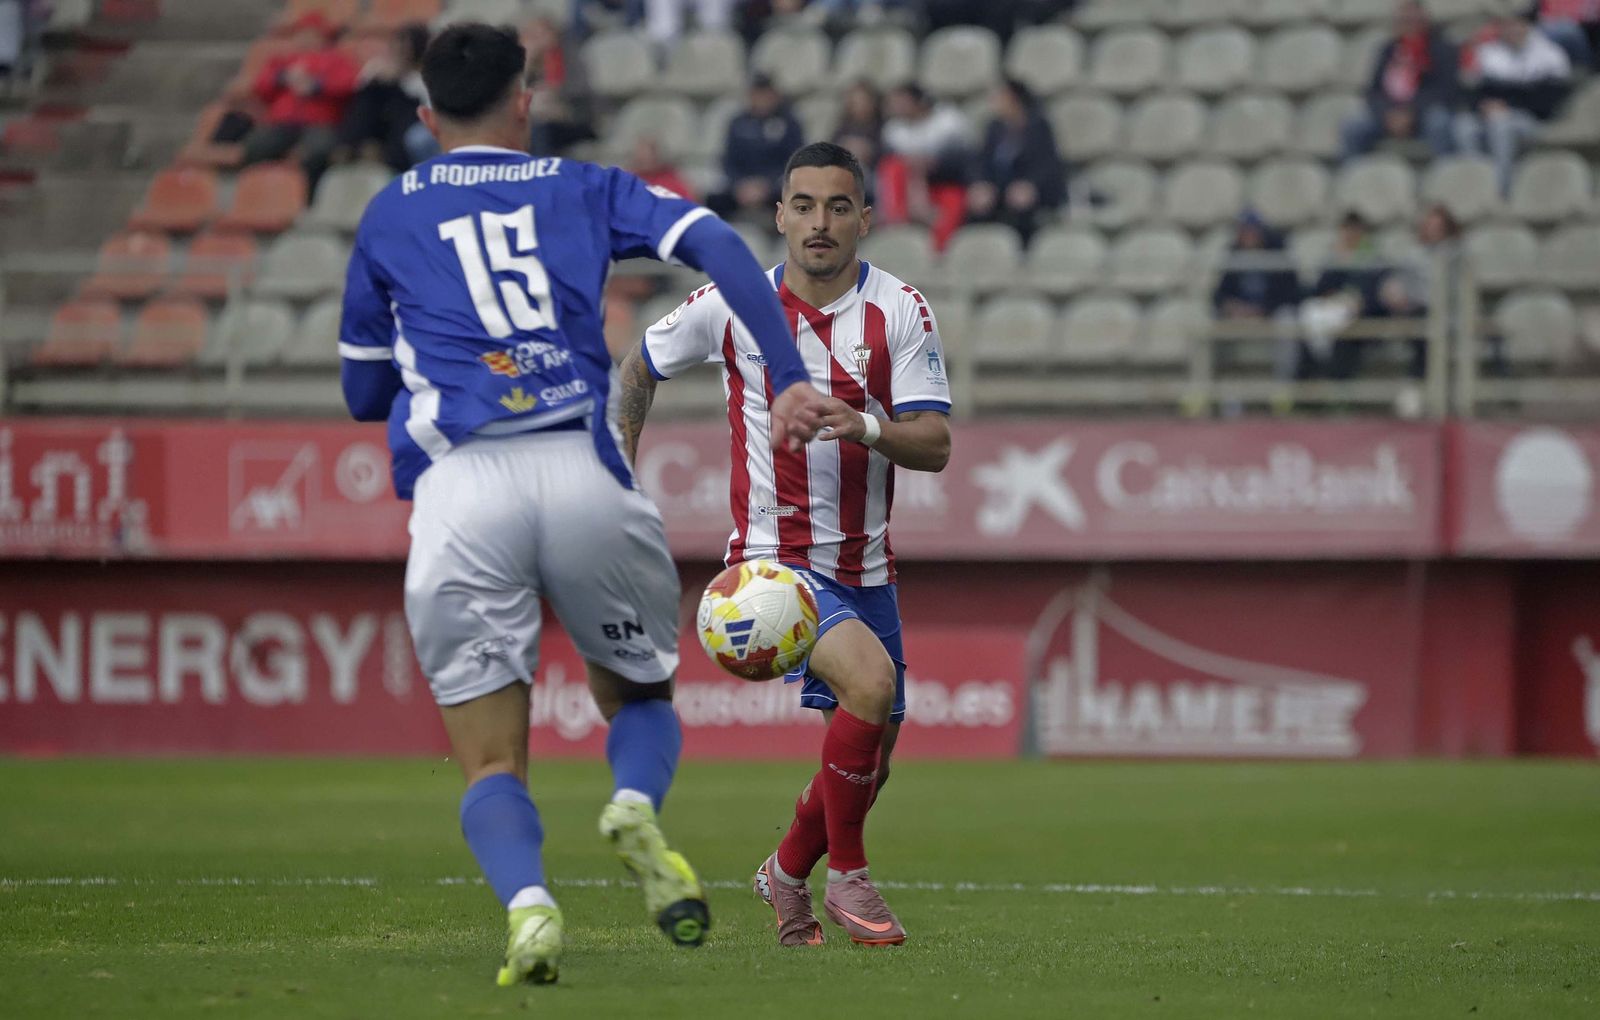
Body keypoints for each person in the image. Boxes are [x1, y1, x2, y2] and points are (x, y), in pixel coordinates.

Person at [338, 22, 828, 987]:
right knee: (639, 695)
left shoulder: (391, 212)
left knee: (489, 763)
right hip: (578, 466)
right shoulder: (578, 185)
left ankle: (528, 908)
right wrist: (786, 374)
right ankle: (635, 804)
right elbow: (718, 243)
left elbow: (361, 394)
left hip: (461, 488)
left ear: (427, 113)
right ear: (525, 100)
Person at [616, 142, 953, 948]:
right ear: (780, 216)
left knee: (875, 756)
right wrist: (617, 488)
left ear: (864, 218)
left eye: (839, 206)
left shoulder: (900, 310)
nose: (820, 223)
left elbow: (936, 443)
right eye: (803, 205)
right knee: (869, 688)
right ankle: (851, 878)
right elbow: (638, 368)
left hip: (866, 566)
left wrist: (862, 423)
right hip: (772, 567)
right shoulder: (731, 302)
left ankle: (786, 872)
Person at [1454, 12, 1573, 195]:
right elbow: (1473, 93)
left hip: (1534, 120)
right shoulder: (1488, 53)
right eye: (1507, 25)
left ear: (1527, 26)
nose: (1512, 30)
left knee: (1500, 124)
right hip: (1492, 115)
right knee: (1463, 125)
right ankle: (1475, 186)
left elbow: (1548, 100)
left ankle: (1501, 190)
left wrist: (1507, 106)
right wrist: (1483, 106)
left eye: (1517, 24)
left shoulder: (1550, 54)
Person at [242, 12, 360, 193]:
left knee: (319, 151)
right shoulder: (284, 60)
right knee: (256, 146)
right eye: (302, 34)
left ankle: (309, 197)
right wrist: (283, 78)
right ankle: (259, 194)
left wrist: (317, 86)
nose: (306, 39)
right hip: (283, 123)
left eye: (312, 35)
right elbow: (260, 85)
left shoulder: (336, 59)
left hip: (320, 123)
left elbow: (348, 84)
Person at [1340, 1, 1459, 163]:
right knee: (1353, 127)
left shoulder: (1441, 49)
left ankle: (1445, 173)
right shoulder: (1387, 50)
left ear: (1424, 20)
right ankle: (1353, 178)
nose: (1409, 25)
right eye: (1404, 20)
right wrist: (1388, 114)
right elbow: (1373, 91)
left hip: (1423, 113)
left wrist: (1411, 113)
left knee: (1440, 122)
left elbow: (1444, 89)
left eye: (1413, 20)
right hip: (1388, 115)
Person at [966, 78, 1065, 244]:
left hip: (1032, 188)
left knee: (1021, 205)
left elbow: (1048, 164)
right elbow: (981, 160)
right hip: (999, 186)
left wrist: (1030, 185)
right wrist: (980, 183)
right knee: (978, 205)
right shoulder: (994, 127)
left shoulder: (1039, 127)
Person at [877, 84, 972, 250]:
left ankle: (940, 250)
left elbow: (963, 162)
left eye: (901, 102)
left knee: (953, 200)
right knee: (892, 167)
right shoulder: (893, 130)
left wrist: (932, 164)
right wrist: (917, 192)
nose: (896, 107)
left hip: (944, 183)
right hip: (911, 188)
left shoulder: (948, 121)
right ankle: (896, 222)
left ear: (918, 101)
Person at [1377, 203, 1460, 379]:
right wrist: (1392, 290)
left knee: (1426, 329)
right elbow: (1399, 279)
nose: (1433, 231)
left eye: (1438, 227)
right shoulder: (1415, 253)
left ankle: (1419, 380)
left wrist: (1414, 298)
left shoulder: (1455, 255)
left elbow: (1448, 293)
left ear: (1447, 228)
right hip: (1414, 311)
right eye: (1429, 226)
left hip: (1447, 314)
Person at [337, 22, 434, 172]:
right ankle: (352, 147)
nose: (400, 49)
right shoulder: (377, 66)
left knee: (402, 102)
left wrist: (400, 78)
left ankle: (388, 156)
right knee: (370, 96)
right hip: (379, 121)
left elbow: (426, 101)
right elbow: (358, 90)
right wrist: (380, 77)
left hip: (408, 122)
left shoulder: (425, 74)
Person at [1296, 213, 1383, 380]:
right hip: (1332, 307)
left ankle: (1335, 384)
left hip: (1360, 314)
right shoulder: (1334, 257)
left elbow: (1374, 291)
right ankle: (1309, 379)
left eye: (1355, 231)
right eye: (1347, 230)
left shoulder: (1373, 258)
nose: (1350, 235)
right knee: (1310, 315)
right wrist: (1339, 261)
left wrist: (1358, 301)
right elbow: (1321, 288)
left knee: (1342, 330)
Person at [710, 73, 805, 222]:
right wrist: (739, 185)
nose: (761, 99)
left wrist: (767, 186)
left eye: (765, 94)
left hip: (775, 188)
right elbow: (728, 160)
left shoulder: (789, 124)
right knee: (712, 201)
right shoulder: (738, 123)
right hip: (742, 187)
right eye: (757, 94)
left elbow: (795, 162)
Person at [523, 14, 596, 157]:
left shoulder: (571, 55)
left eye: (541, 34)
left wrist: (556, 94)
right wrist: (527, 63)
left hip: (575, 117)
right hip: (542, 118)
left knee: (539, 129)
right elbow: (515, 92)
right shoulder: (531, 63)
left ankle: (543, 176)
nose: (538, 41)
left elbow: (581, 89)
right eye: (533, 36)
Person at [1536, 0, 1598, 68]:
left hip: (1583, 30)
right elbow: (1542, 13)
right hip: (1548, 25)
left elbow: (1590, 15)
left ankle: (1583, 68)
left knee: (1566, 31)